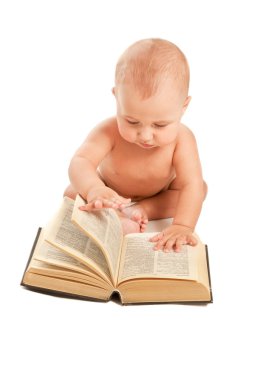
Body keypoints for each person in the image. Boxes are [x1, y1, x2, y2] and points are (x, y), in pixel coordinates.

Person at [64, 38, 207, 253]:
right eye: (132, 122)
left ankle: (143, 210)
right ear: (117, 98)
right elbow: (81, 161)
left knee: (198, 190)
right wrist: (95, 188)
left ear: (183, 106)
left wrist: (182, 225)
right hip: (110, 190)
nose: (146, 136)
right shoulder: (108, 130)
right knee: (72, 191)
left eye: (160, 125)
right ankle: (118, 215)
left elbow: (191, 184)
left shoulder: (182, 138)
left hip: (160, 195)